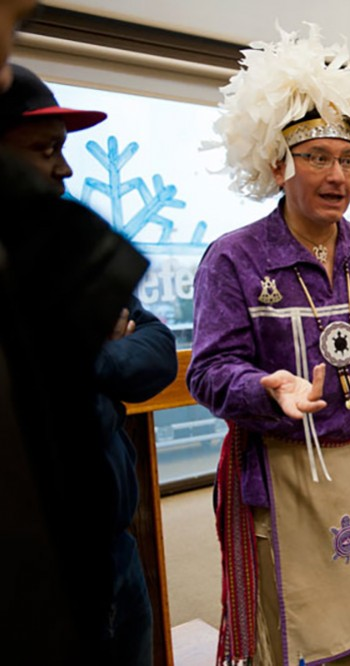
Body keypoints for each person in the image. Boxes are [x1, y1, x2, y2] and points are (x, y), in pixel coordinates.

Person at [186, 25, 350, 666]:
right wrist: (265, 388)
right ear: (277, 166)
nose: (337, 174)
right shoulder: (234, 260)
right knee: (290, 641)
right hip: (280, 474)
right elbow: (208, 370)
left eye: (348, 159)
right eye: (317, 157)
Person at [0, 9, 154, 662]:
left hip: (116, 546)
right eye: (44, 149)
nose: (64, 171)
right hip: (39, 568)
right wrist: (91, 351)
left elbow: (153, 352)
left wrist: (87, 354)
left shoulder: (64, 262)